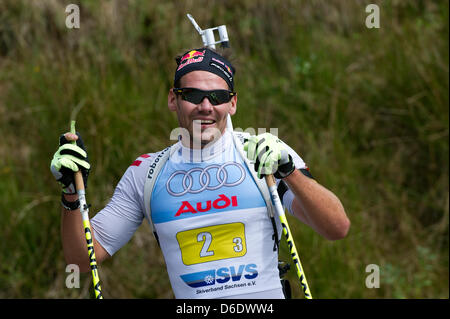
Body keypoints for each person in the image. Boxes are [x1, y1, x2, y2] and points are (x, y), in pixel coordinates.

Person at [50, 47, 350, 299]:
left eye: (218, 97)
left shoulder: (263, 154)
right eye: (192, 95)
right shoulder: (146, 172)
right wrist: (71, 194)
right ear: (173, 99)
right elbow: (83, 259)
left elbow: (336, 227)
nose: (206, 106)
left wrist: (289, 173)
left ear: (233, 103)